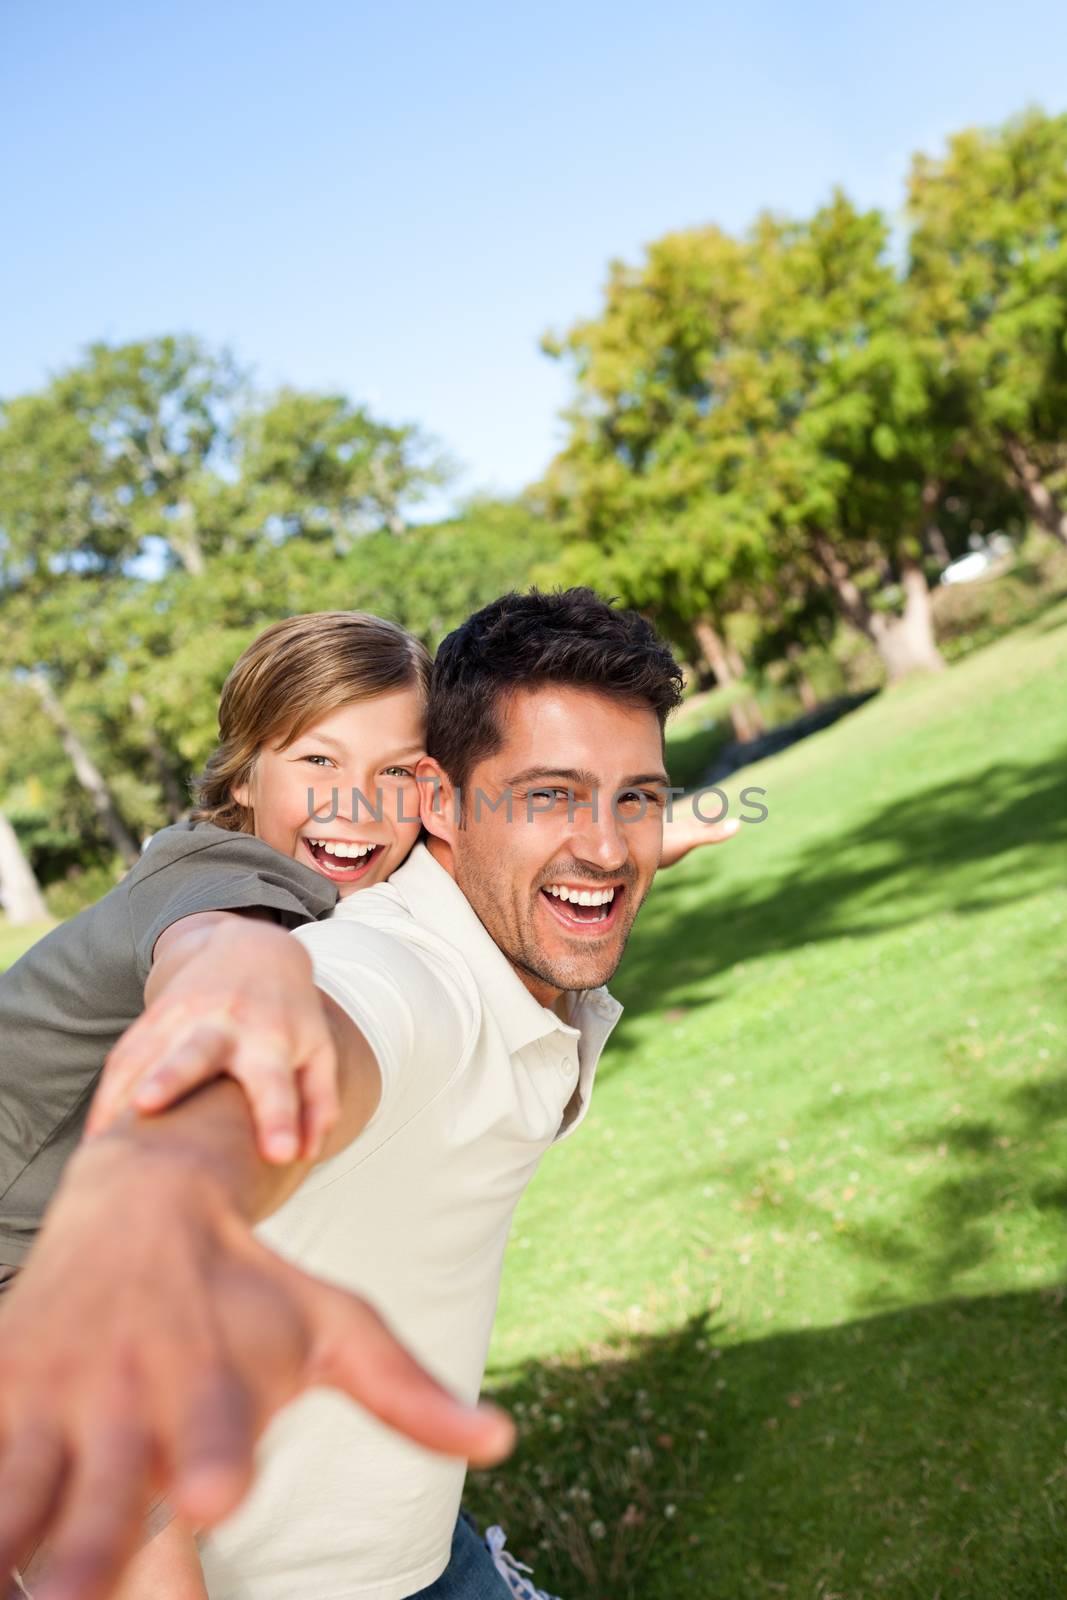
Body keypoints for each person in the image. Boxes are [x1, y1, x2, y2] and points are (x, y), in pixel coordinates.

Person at [0, 591, 735, 1599]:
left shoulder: (341, 898)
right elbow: (246, 975)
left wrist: (621, 828)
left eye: (392, 772)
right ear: (243, 772)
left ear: (431, 791)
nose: (355, 804)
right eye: (316, 761)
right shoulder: (228, 892)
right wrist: (242, 1000)